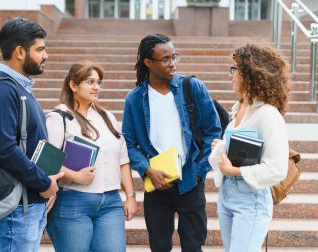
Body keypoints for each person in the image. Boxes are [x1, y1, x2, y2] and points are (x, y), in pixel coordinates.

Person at [122, 33, 221, 252]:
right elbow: (129, 144)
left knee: (193, 246)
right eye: (165, 59)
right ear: (148, 62)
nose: (172, 63)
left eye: (174, 57)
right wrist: (147, 170)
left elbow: (213, 132)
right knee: (159, 246)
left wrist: (198, 172)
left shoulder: (192, 87)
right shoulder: (135, 99)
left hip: (190, 181)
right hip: (156, 185)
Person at [0, 17, 64, 252]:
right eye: (40, 49)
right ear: (19, 51)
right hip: (17, 207)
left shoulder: (19, 88)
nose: (45, 55)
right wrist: (42, 181)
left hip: (29, 203)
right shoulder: (2, 90)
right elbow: (3, 148)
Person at [46, 60, 137, 252]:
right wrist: (75, 176)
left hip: (110, 202)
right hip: (73, 201)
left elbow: (123, 160)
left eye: (99, 82)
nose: (96, 87)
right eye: (90, 82)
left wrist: (130, 196)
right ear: (73, 85)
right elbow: (46, 161)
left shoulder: (107, 117)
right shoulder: (59, 118)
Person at [211, 43, 290, 252]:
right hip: (227, 195)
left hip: (250, 199)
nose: (231, 74)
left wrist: (234, 170)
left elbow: (277, 169)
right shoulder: (240, 108)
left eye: (235, 69)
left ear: (251, 74)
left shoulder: (268, 115)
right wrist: (222, 147)